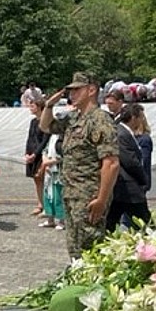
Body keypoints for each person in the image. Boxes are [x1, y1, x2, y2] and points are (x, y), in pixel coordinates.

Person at [40, 72, 119, 259]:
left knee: (91, 250)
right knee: (75, 249)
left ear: (91, 90)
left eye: (77, 90)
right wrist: (49, 105)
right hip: (71, 193)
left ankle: (92, 286)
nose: (71, 94)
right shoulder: (73, 118)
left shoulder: (99, 120)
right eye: (70, 91)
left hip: (89, 195)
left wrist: (101, 199)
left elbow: (111, 163)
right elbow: (45, 126)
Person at [106, 103, 150, 231]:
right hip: (127, 188)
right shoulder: (122, 134)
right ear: (133, 118)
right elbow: (130, 162)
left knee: (111, 223)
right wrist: (143, 179)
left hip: (123, 188)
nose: (142, 120)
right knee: (145, 224)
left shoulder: (124, 132)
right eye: (140, 117)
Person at [25, 99, 48, 216]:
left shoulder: (45, 122)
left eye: (32, 106)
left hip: (40, 154)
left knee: (42, 178)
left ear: (39, 107)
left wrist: (35, 154)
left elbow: (44, 140)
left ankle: (46, 206)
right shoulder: (33, 121)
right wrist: (27, 153)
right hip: (31, 152)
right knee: (36, 179)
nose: (30, 108)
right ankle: (40, 203)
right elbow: (30, 138)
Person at [38, 134, 66, 230]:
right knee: (48, 195)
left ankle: (61, 220)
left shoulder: (64, 136)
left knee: (58, 196)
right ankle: (50, 218)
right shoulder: (52, 136)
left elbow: (64, 155)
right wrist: (45, 160)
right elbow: (45, 150)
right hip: (49, 169)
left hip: (58, 170)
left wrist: (50, 162)